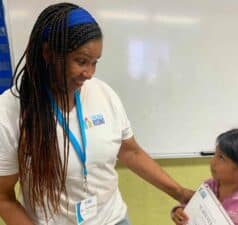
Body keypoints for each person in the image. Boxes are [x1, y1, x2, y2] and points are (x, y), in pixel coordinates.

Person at [0, 3, 193, 225]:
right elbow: (3, 198)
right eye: (81, 61)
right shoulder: (10, 112)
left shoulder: (103, 93)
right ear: (48, 53)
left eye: (94, 63)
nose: (89, 74)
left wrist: (179, 192)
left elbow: (130, 152)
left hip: (114, 219)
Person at [171, 128, 238, 225]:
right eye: (214, 154)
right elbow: (196, 208)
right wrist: (180, 212)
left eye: (221, 157)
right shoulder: (210, 186)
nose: (212, 161)